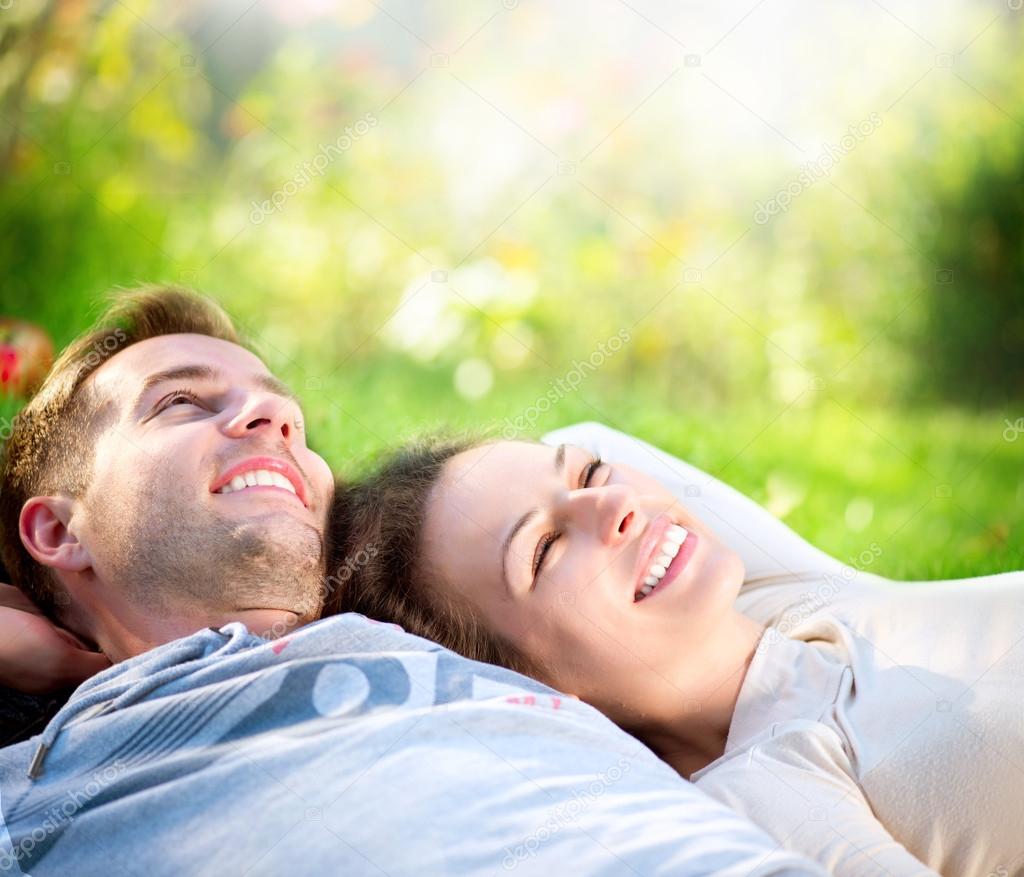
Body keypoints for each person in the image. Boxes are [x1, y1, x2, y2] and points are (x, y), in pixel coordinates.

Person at [0, 286, 821, 876]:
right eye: (179, 403)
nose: (275, 420)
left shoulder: (452, 622)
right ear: (57, 530)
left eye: (284, 410)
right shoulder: (53, 776)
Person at [331, 431, 1024, 877]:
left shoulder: (788, 600)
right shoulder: (765, 791)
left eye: (592, 475)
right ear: (523, 686)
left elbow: (586, 433)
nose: (615, 506)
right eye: (545, 548)